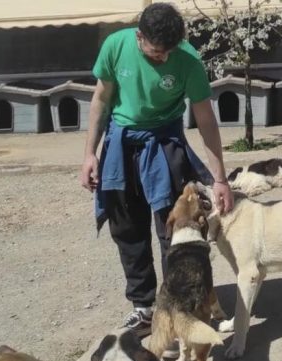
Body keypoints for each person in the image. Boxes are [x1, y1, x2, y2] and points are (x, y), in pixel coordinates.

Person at [79, 2, 233, 339]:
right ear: (139, 37)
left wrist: (219, 178)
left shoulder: (188, 60)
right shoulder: (115, 46)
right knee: (126, 228)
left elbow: (205, 119)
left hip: (165, 143)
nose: (163, 58)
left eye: (168, 52)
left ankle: (178, 308)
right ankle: (144, 308)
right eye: (155, 52)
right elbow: (101, 100)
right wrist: (90, 154)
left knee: (174, 229)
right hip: (121, 143)